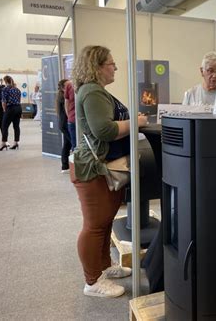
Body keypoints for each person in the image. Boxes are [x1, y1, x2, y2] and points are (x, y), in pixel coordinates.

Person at [70, 45, 148, 298]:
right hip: (93, 168)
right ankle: (92, 282)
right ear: (97, 67)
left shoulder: (95, 91)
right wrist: (135, 122)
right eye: (111, 63)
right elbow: (103, 130)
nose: (115, 67)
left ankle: (103, 267)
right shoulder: (93, 92)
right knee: (94, 226)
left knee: (103, 225)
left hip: (100, 166)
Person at [0, 75, 21, 151]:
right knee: (16, 126)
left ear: (5, 81)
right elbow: (19, 100)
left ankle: (3, 143)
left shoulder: (5, 89)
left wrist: (4, 110)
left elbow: (4, 101)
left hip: (10, 108)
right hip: (18, 108)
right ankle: (16, 142)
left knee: (4, 126)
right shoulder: (17, 89)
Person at [55, 79, 72, 173]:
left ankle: (65, 166)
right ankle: (71, 166)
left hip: (63, 124)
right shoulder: (63, 97)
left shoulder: (61, 96)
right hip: (65, 124)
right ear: (62, 88)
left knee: (67, 144)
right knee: (73, 144)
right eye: (67, 85)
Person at [64, 80, 76, 151]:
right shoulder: (69, 85)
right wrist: (69, 116)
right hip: (73, 120)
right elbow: (66, 103)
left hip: (83, 121)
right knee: (75, 146)